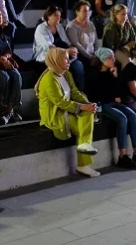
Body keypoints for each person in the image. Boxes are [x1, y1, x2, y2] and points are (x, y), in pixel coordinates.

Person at [35, 47, 100, 178]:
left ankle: (83, 163)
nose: (68, 61)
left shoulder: (65, 73)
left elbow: (75, 92)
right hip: (55, 115)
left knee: (87, 116)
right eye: (65, 58)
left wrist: (87, 104)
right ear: (56, 60)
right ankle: (83, 163)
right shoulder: (49, 79)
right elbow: (60, 102)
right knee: (85, 126)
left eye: (68, 57)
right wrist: (83, 107)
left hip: (68, 110)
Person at [87, 48, 136, 169]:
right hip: (103, 105)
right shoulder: (93, 74)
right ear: (101, 59)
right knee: (122, 118)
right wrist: (112, 97)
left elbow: (117, 92)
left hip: (113, 102)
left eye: (113, 58)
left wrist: (115, 76)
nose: (113, 60)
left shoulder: (111, 73)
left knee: (133, 115)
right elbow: (94, 95)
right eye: (109, 58)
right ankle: (123, 155)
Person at [33, 6, 85, 90]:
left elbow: (67, 42)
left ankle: (80, 95)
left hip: (63, 57)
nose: (58, 18)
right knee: (66, 70)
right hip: (47, 57)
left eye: (59, 16)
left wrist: (73, 49)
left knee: (79, 66)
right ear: (49, 16)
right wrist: (66, 51)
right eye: (56, 15)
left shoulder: (59, 26)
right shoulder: (41, 28)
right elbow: (49, 47)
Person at [66, 0, 97, 64]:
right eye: (84, 11)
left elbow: (95, 41)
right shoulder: (72, 26)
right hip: (81, 56)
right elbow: (77, 45)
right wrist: (90, 57)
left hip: (93, 54)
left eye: (88, 11)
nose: (87, 13)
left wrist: (98, 54)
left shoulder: (91, 24)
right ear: (77, 12)